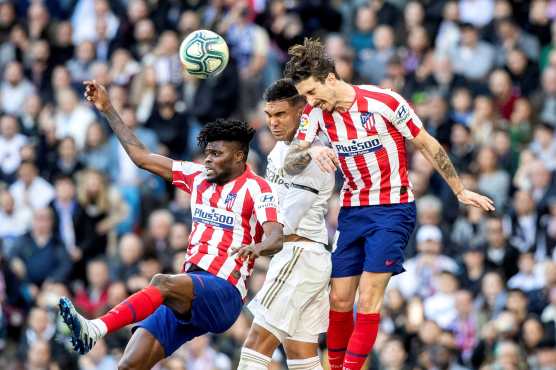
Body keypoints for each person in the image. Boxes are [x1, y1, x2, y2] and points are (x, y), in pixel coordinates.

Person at [282, 38, 495, 370]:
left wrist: (459, 189)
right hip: (352, 210)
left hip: (392, 209)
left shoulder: (383, 102)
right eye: (305, 96)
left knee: (368, 298)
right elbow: (291, 159)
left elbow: (426, 143)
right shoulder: (315, 114)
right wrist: (310, 149)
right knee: (338, 300)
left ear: (332, 79)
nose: (310, 101)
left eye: (312, 92)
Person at [58, 80, 284, 370]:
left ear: (239, 157)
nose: (209, 159)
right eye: (208, 153)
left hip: (223, 293)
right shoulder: (197, 176)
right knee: (128, 365)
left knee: (161, 282)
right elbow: (141, 158)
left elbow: (276, 236)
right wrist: (108, 108)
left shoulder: (259, 189)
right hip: (187, 292)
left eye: (217, 154)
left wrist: (259, 247)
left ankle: (96, 328)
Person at [238, 79, 334, 370]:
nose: (273, 122)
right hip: (298, 258)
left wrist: (253, 241)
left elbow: (285, 222)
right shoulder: (279, 151)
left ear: (302, 112)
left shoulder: (317, 156)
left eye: (281, 115)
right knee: (302, 358)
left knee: (254, 345)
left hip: (299, 256)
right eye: (269, 115)